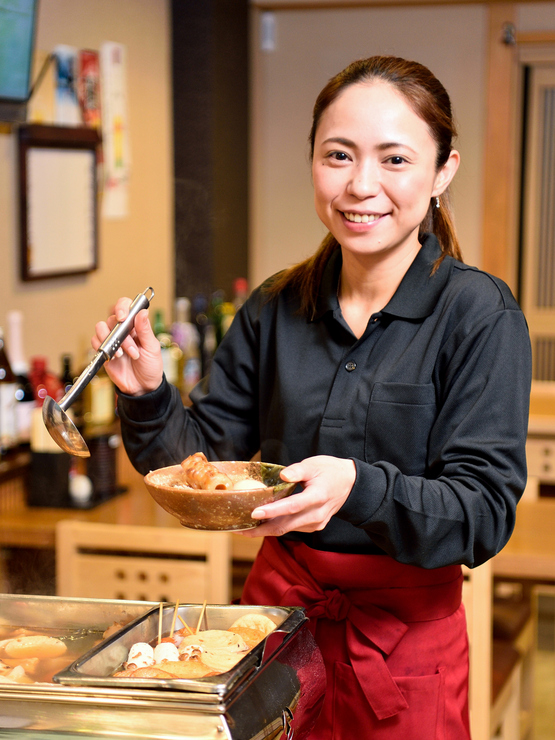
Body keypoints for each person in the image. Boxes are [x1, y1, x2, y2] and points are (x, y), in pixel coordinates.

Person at [93, 56, 532, 739]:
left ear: (442, 171)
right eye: (338, 155)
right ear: (312, 163)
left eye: (394, 159)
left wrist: (357, 487)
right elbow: (199, 473)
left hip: (405, 645)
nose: (361, 185)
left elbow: (481, 516)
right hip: (277, 625)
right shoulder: (272, 306)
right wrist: (148, 393)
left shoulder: (478, 314)